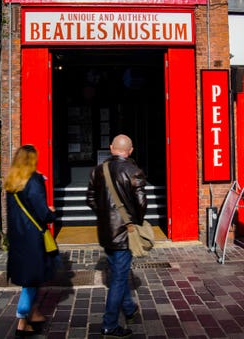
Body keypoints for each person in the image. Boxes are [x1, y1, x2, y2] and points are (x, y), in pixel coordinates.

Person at [86, 134, 146, 339]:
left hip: (105, 232)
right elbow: (141, 204)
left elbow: (90, 198)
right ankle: (109, 324)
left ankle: (129, 308)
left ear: (112, 148)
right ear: (130, 151)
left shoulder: (98, 170)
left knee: (118, 273)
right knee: (119, 279)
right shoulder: (134, 171)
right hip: (123, 234)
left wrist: (104, 215)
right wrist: (133, 222)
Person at [4, 144, 57, 337]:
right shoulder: (34, 180)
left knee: (32, 277)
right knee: (32, 278)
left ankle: (33, 313)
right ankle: (22, 318)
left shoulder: (12, 181)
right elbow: (41, 210)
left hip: (18, 238)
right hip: (33, 238)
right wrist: (51, 213)